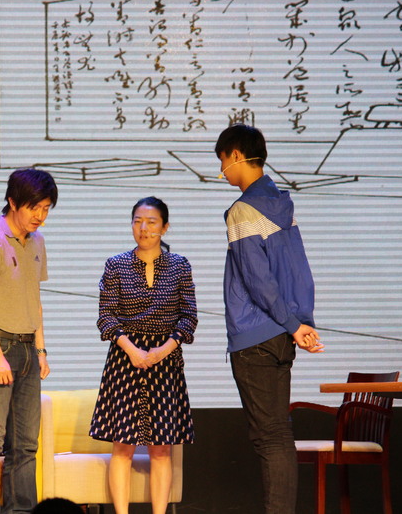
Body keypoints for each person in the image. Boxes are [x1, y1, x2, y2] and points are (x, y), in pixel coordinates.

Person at [215, 124, 324, 514]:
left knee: (270, 439)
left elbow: (256, 278)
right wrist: (299, 323)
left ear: (236, 155)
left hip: (255, 335)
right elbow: (299, 271)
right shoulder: (282, 203)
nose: (222, 171)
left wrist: (294, 326)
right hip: (281, 334)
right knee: (279, 435)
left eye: (222, 161)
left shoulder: (243, 210)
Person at [89, 196, 197, 514]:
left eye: (151, 222)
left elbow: (188, 317)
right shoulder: (116, 264)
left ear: (165, 227)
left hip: (165, 361)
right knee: (122, 447)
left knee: (161, 449)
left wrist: (164, 349)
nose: (143, 228)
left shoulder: (179, 265)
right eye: (137, 221)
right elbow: (106, 317)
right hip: (125, 359)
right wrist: (132, 350)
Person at [0, 168, 58, 514]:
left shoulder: (37, 241)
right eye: (35, 207)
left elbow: (34, 299)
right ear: (13, 202)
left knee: (25, 445)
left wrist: (41, 350)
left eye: (46, 208)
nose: (40, 216)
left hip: (27, 349)